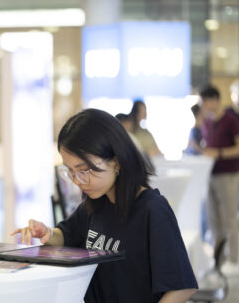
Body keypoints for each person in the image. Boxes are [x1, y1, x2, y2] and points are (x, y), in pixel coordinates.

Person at [12, 109, 197, 303]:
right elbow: (67, 235)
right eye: (70, 172)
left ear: (116, 162)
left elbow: (182, 287)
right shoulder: (95, 204)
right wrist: (48, 233)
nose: (77, 181)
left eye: (84, 170)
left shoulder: (152, 210)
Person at [199, 84, 239, 270]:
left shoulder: (231, 120)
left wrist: (219, 153)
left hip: (228, 174)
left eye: (205, 101)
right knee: (214, 220)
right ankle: (219, 260)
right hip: (210, 175)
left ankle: (234, 259)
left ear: (214, 100)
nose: (204, 106)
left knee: (230, 218)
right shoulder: (207, 122)